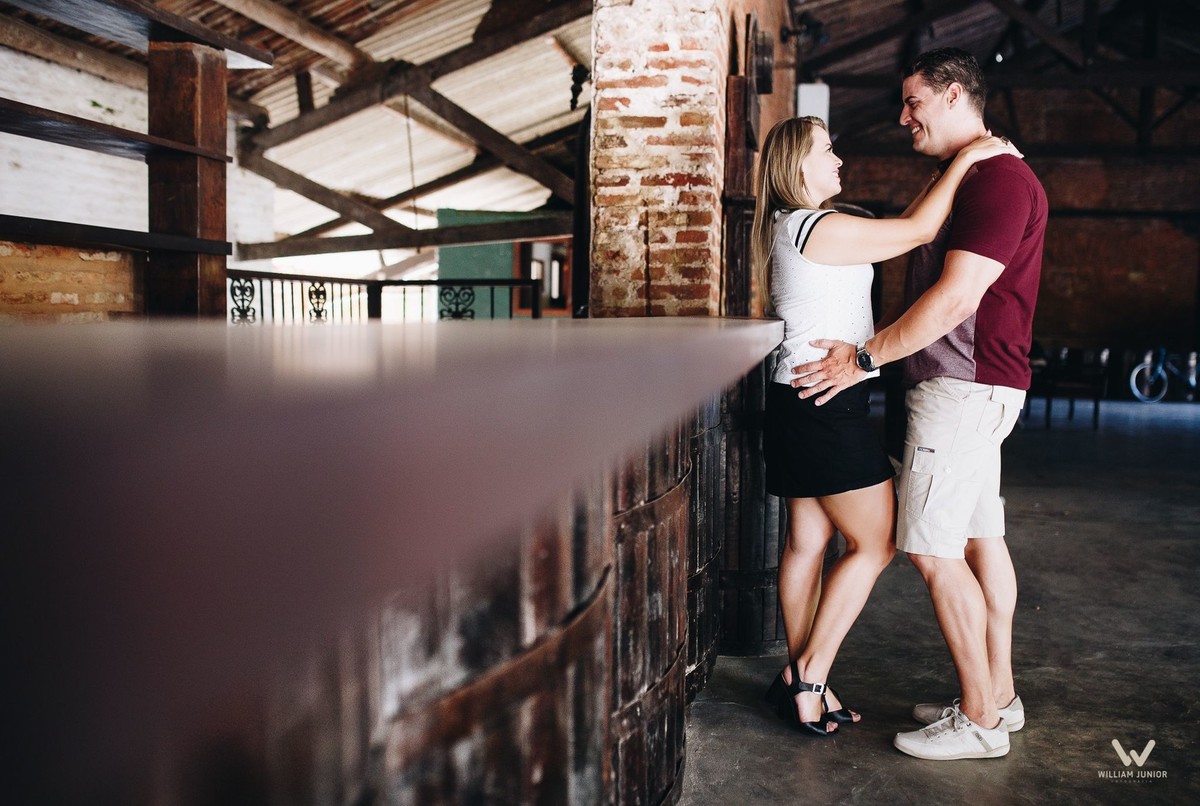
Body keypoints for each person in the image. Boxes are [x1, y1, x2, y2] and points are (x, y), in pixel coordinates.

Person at [791, 47, 1048, 759]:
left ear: (954, 94)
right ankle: (997, 695)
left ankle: (980, 722)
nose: (903, 117)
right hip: (977, 386)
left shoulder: (999, 180)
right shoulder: (976, 174)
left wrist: (863, 358)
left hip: (962, 388)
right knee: (979, 539)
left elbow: (957, 298)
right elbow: (918, 234)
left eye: (914, 102)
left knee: (933, 551)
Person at [753, 114, 1020, 736]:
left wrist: (951, 167)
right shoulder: (819, 227)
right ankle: (810, 676)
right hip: (826, 401)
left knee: (807, 544)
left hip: (798, 398)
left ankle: (805, 682)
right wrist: (969, 158)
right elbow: (920, 229)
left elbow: (909, 223)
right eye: (827, 150)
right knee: (877, 544)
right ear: (798, 166)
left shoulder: (796, 226)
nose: (838, 160)